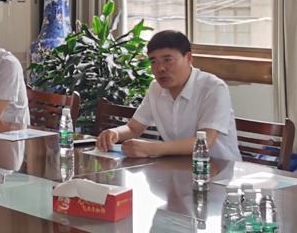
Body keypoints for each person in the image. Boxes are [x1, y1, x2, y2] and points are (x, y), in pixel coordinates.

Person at [95, 30, 238, 161]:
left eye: (167, 60)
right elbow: (133, 129)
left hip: (218, 171)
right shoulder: (156, 88)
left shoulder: (213, 88)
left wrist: (151, 149)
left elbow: (204, 142)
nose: (160, 68)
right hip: (175, 167)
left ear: (188, 58)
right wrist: (114, 133)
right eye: (153, 62)